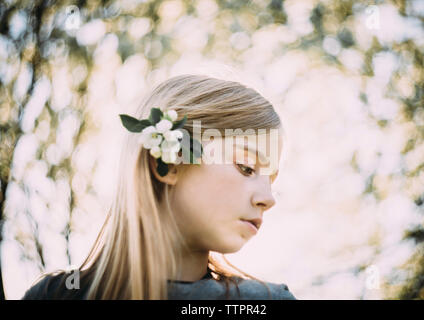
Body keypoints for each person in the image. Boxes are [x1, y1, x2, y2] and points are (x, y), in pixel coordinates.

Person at [21, 74, 297, 300]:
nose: (269, 199)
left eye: (271, 180)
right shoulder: (53, 296)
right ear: (169, 162)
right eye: (247, 167)